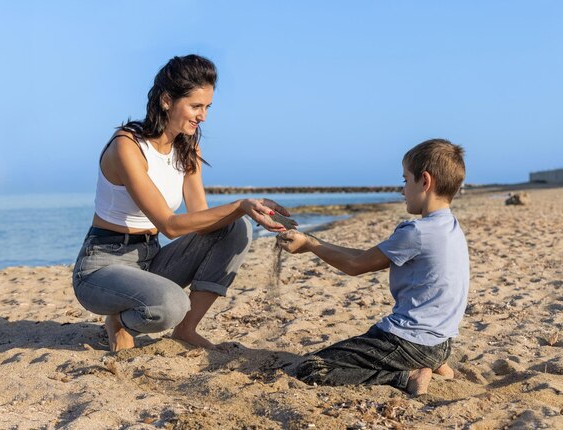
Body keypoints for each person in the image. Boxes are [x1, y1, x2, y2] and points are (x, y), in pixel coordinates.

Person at [72, 55, 290, 352]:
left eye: (207, 107)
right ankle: (120, 322)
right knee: (171, 305)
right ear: (166, 101)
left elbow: (200, 218)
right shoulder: (128, 146)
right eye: (196, 106)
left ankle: (186, 330)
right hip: (103, 266)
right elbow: (170, 225)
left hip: (150, 258)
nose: (203, 116)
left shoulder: (188, 148)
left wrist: (250, 211)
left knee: (235, 228)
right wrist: (239, 204)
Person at [277, 139, 469, 395]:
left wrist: (311, 246)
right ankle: (434, 365)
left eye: (405, 180)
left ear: (425, 181)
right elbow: (366, 257)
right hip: (441, 343)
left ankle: (408, 375)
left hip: (409, 341)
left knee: (312, 368)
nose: (403, 191)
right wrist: (313, 242)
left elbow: (356, 266)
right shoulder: (451, 228)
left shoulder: (417, 232)